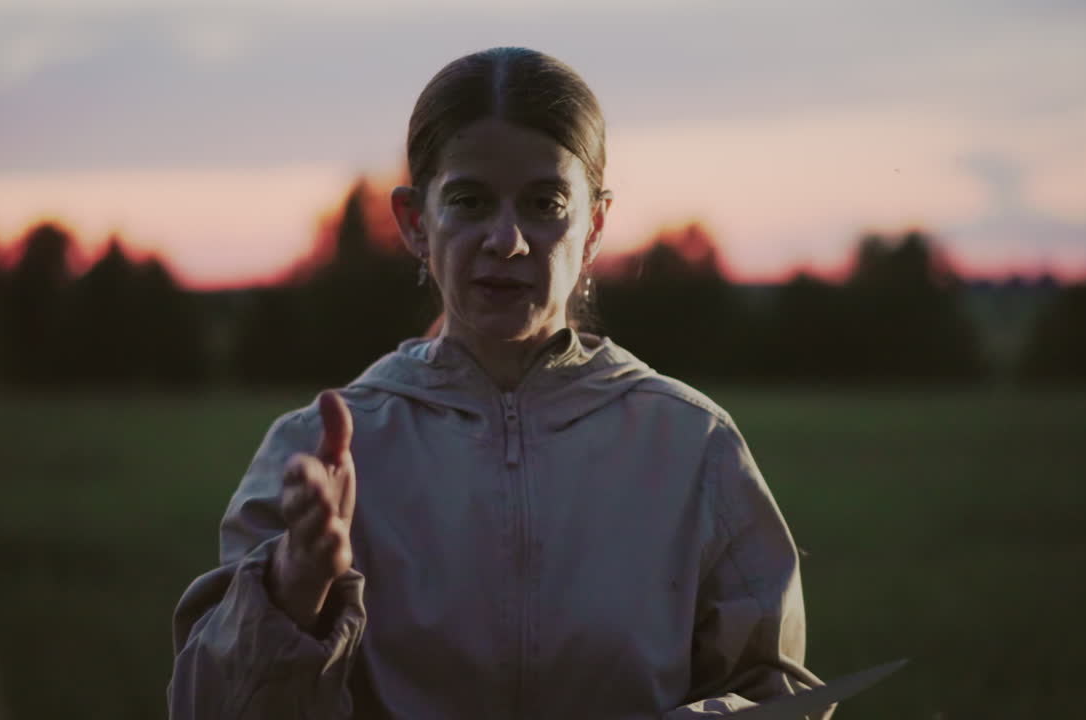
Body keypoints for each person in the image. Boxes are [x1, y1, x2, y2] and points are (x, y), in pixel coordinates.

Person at [168, 46, 832, 719]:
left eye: (545, 203)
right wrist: (292, 590)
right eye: (470, 201)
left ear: (595, 225)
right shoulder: (318, 456)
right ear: (415, 222)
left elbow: (776, 694)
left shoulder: (694, 446)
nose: (507, 239)